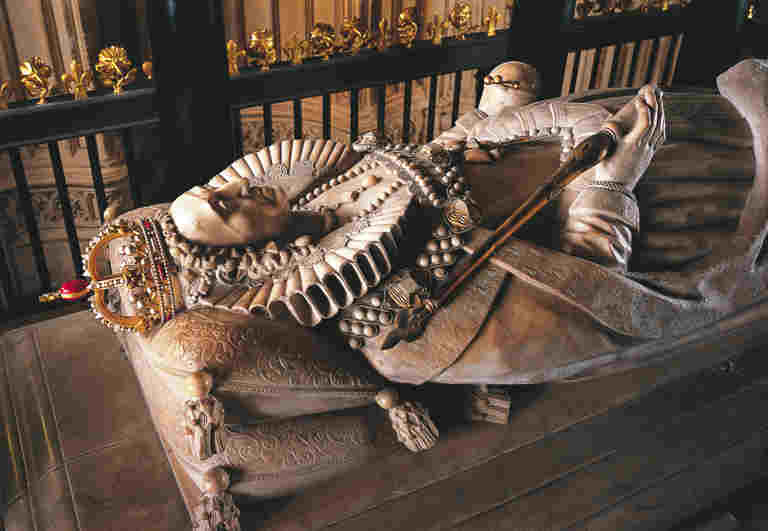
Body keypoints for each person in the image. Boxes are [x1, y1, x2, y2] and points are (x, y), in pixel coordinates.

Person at [85, 59, 765, 527]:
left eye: (218, 186)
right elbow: (598, 303)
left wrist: (495, 121)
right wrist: (612, 183)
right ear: (240, 267)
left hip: (632, 127)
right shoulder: (413, 333)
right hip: (673, 205)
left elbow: (446, 150)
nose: (239, 186)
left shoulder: (328, 186)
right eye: (227, 210)